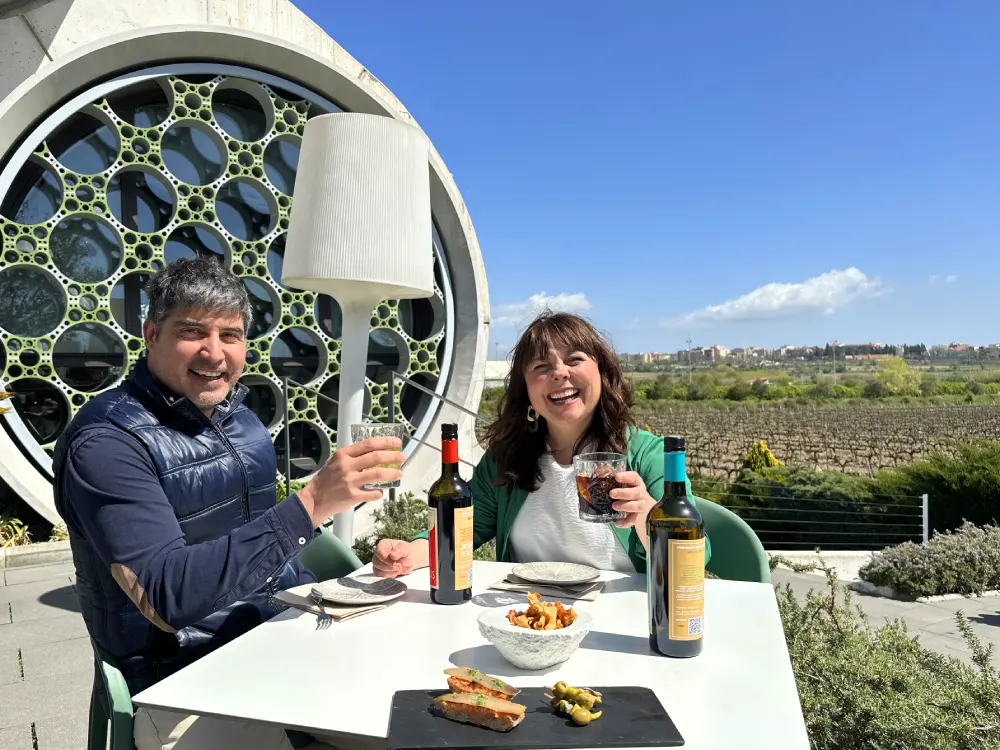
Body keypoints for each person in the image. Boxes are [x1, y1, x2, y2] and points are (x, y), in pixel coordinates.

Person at [52, 257, 400, 750]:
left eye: (230, 335)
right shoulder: (107, 443)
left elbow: (261, 538)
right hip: (181, 677)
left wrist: (338, 586)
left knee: (416, 711)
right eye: (192, 331)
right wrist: (312, 503)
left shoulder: (240, 421)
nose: (214, 353)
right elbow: (165, 597)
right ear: (152, 334)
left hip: (274, 635)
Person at [372, 311, 711, 579]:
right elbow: (461, 529)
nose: (560, 373)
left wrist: (648, 514)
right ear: (528, 392)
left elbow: (697, 556)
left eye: (575, 359)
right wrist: (407, 554)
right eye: (542, 366)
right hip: (528, 619)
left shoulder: (646, 455)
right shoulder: (507, 460)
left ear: (602, 374)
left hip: (617, 626)